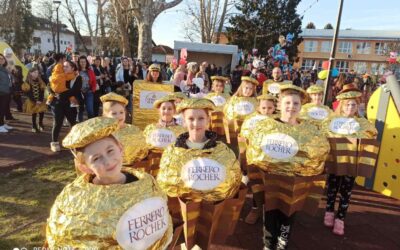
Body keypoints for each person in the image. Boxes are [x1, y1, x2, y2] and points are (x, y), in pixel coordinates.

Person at [46, 117, 173, 248]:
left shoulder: (146, 183)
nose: (108, 161)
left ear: (121, 148)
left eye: (110, 151)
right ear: (85, 167)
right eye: (96, 158)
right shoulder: (75, 200)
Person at [246, 84, 330, 249]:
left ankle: (282, 242)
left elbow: (320, 151)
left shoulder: (310, 130)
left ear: (301, 106)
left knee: (289, 213)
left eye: (296, 104)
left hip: (294, 181)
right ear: (279, 104)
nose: (291, 107)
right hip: (271, 179)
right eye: (287, 103)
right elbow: (254, 150)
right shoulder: (266, 126)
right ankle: (268, 244)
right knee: (270, 212)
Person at [156, 98, 243, 249]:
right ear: (184, 121)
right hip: (185, 209)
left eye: (201, 118)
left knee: (206, 240)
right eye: (191, 119)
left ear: (208, 120)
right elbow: (165, 182)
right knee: (186, 241)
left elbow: (233, 177)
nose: (196, 123)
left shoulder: (221, 150)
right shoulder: (173, 151)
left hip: (212, 208)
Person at [322, 83, 377, 236]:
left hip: (352, 163)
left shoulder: (363, 123)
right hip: (335, 161)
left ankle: (340, 218)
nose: (350, 107)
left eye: (353, 104)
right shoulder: (331, 120)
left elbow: (372, 135)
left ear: (357, 106)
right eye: (347, 104)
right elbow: (323, 136)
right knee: (332, 188)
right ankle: (329, 211)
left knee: (346, 190)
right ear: (342, 105)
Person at [240, 93, 277, 224]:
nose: (266, 111)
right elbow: (243, 138)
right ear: (259, 108)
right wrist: (243, 157)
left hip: (272, 160)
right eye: (264, 108)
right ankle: (255, 208)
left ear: (274, 108)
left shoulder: (278, 121)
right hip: (255, 158)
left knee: (271, 186)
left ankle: (269, 209)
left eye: (270, 108)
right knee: (257, 184)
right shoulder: (251, 120)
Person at [100, 92, 149, 166]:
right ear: (105, 116)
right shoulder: (102, 134)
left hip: (133, 168)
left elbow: (143, 151)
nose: (119, 116)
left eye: (121, 112)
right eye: (114, 113)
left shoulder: (134, 130)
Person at [50, 60, 82, 152]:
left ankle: (74, 142)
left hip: (70, 104)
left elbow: (75, 91)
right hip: (58, 104)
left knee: (73, 123)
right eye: (63, 66)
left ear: (72, 68)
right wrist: (53, 92)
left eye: (67, 66)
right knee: (57, 123)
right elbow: (49, 85)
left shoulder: (77, 77)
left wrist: (60, 94)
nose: (64, 68)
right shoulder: (59, 75)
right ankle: (54, 142)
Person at [223, 76, 258, 145]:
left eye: (251, 89)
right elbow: (227, 112)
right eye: (246, 88)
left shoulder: (256, 101)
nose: (248, 91)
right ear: (241, 88)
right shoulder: (234, 99)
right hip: (235, 130)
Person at [22, 67, 47, 133]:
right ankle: (34, 125)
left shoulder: (40, 80)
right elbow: (28, 93)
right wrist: (35, 101)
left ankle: (40, 123)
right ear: (30, 73)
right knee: (34, 113)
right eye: (35, 72)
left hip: (40, 99)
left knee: (41, 112)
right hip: (32, 100)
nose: (36, 74)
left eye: (37, 72)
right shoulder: (27, 82)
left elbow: (42, 91)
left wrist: (40, 100)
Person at [77, 56, 97, 121]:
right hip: (79, 93)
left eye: (84, 62)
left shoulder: (90, 71)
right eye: (81, 62)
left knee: (90, 109)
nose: (83, 63)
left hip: (89, 92)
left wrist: (93, 90)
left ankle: (91, 124)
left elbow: (94, 81)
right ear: (79, 63)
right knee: (80, 110)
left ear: (86, 62)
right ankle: (80, 125)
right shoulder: (76, 71)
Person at [0, 53, 13, 133]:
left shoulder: (4, 68)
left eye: (2, 58)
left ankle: (2, 123)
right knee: (1, 109)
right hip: (1, 92)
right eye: (0, 59)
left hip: (7, 91)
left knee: (4, 109)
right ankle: (0, 126)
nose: (1, 60)